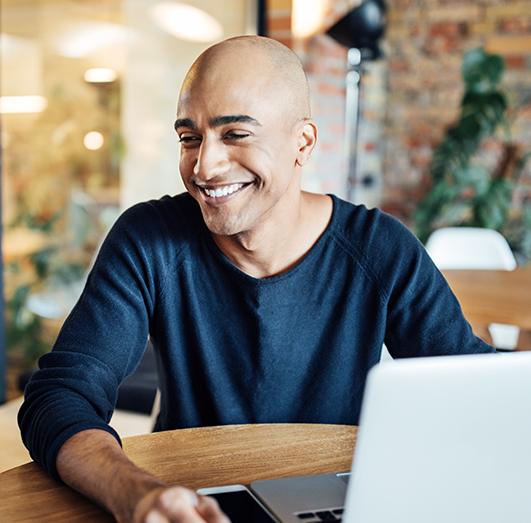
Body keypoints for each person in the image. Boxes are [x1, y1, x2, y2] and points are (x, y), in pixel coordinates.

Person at [19, 35, 495, 523]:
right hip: (190, 498)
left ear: (303, 142)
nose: (204, 166)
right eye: (189, 138)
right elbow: (60, 396)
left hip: (332, 503)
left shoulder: (381, 249)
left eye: (235, 134)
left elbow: (480, 391)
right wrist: (135, 492)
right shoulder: (148, 240)